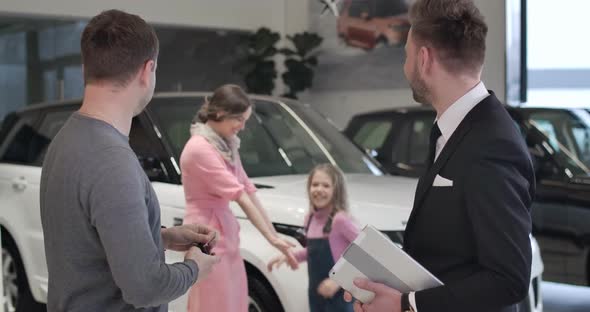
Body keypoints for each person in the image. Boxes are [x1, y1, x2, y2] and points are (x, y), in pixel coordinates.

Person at [345, 0, 535, 311]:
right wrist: (388, 287)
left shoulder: (491, 145)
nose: (405, 67)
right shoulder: (453, 129)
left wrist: (407, 304)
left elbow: (508, 279)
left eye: (406, 56)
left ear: (424, 59)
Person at [40, 10, 219, 312]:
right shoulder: (111, 160)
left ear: (86, 67)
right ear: (147, 71)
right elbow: (145, 288)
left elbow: (89, 242)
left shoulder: (65, 139)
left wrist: (159, 237)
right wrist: (194, 269)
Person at [180, 84, 298, 312]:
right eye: (240, 120)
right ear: (222, 114)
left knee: (232, 301)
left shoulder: (225, 144)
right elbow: (240, 195)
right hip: (208, 237)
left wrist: (274, 235)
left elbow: (247, 188)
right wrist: (271, 239)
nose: (242, 127)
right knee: (214, 302)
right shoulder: (199, 148)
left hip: (226, 233)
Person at [268, 163, 359, 312]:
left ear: (336, 190)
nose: (319, 190)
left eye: (326, 185)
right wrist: (290, 256)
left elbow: (365, 254)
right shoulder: (310, 218)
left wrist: (337, 280)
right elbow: (312, 251)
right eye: (315, 184)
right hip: (316, 294)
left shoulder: (341, 220)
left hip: (341, 298)